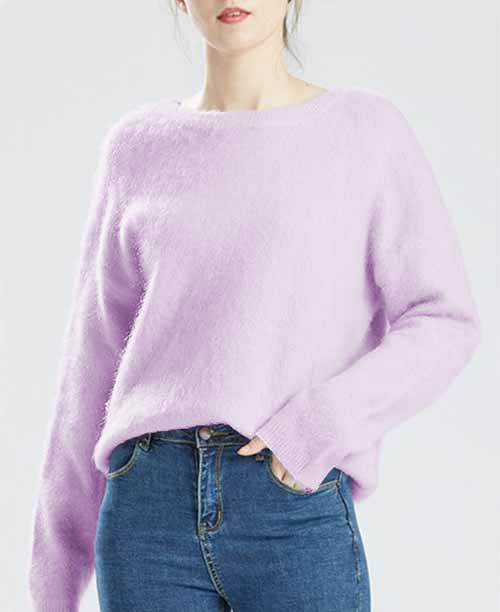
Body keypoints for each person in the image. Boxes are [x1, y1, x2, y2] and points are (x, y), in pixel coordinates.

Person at [28, 1, 482, 611]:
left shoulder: (365, 131)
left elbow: (444, 318)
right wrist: (52, 586)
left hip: (291, 503)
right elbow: (91, 366)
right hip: (146, 514)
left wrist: (322, 425)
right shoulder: (136, 148)